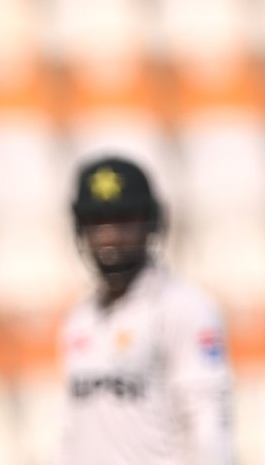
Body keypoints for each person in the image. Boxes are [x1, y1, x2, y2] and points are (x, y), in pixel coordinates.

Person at [57, 155, 235, 464]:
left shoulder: (184, 308)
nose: (110, 237)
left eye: (124, 221)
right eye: (97, 222)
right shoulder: (79, 319)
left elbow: (208, 423)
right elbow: (72, 431)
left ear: (151, 225)